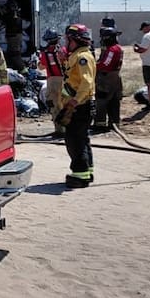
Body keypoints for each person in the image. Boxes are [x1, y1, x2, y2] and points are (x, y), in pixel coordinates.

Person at [60, 24, 96, 188]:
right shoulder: (77, 55)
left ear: (75, 40)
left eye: (68, 39)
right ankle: (87, 172)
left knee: (75, 140)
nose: (66, 42)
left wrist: (75, 101)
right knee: (81, 138)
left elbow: (86, 82)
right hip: (79, 104)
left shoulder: (83, 57)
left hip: (79, 106)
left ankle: (80, 176)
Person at [92, 25, 123, 133]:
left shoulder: (112, 50)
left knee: (102, 100)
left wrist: (94, 66)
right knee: (114, 101)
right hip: (115, 78)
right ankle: (114, 123)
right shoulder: (117, 48)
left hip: (107, 78)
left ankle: (100, 124)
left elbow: (105, 64)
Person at [38, 28, 66, 136]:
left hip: (52, 81)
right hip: (64, 81)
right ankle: (67, 128)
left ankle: (59, 129)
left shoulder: (45, 54)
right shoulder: (63, 51)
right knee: (64, 104)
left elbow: (41, 67)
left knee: (54, 105)